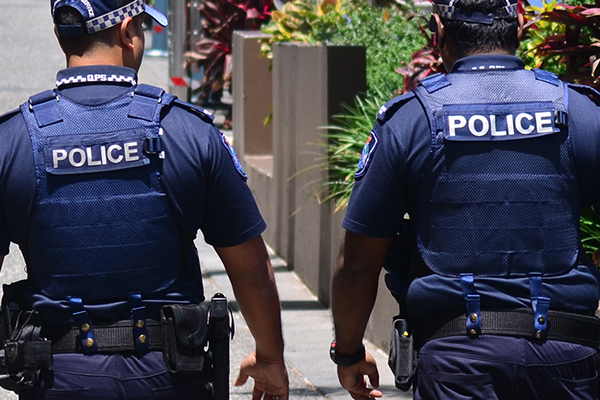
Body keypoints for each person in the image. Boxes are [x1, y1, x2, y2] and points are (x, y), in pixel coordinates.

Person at [0, 0, 289, 399]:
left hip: (57, 379)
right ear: (127, 31)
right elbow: (251, 269)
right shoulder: (188, 132)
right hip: (169, 379)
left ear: (59, 35)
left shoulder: (12, 142)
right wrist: (271, 359)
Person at [329, 0, 600, 399]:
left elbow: (357, 265)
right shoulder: (579, 112)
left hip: (458, 365)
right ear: (520, 26)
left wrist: (348, 353)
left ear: (438, 30)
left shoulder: (412, 120)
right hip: (566, 357)